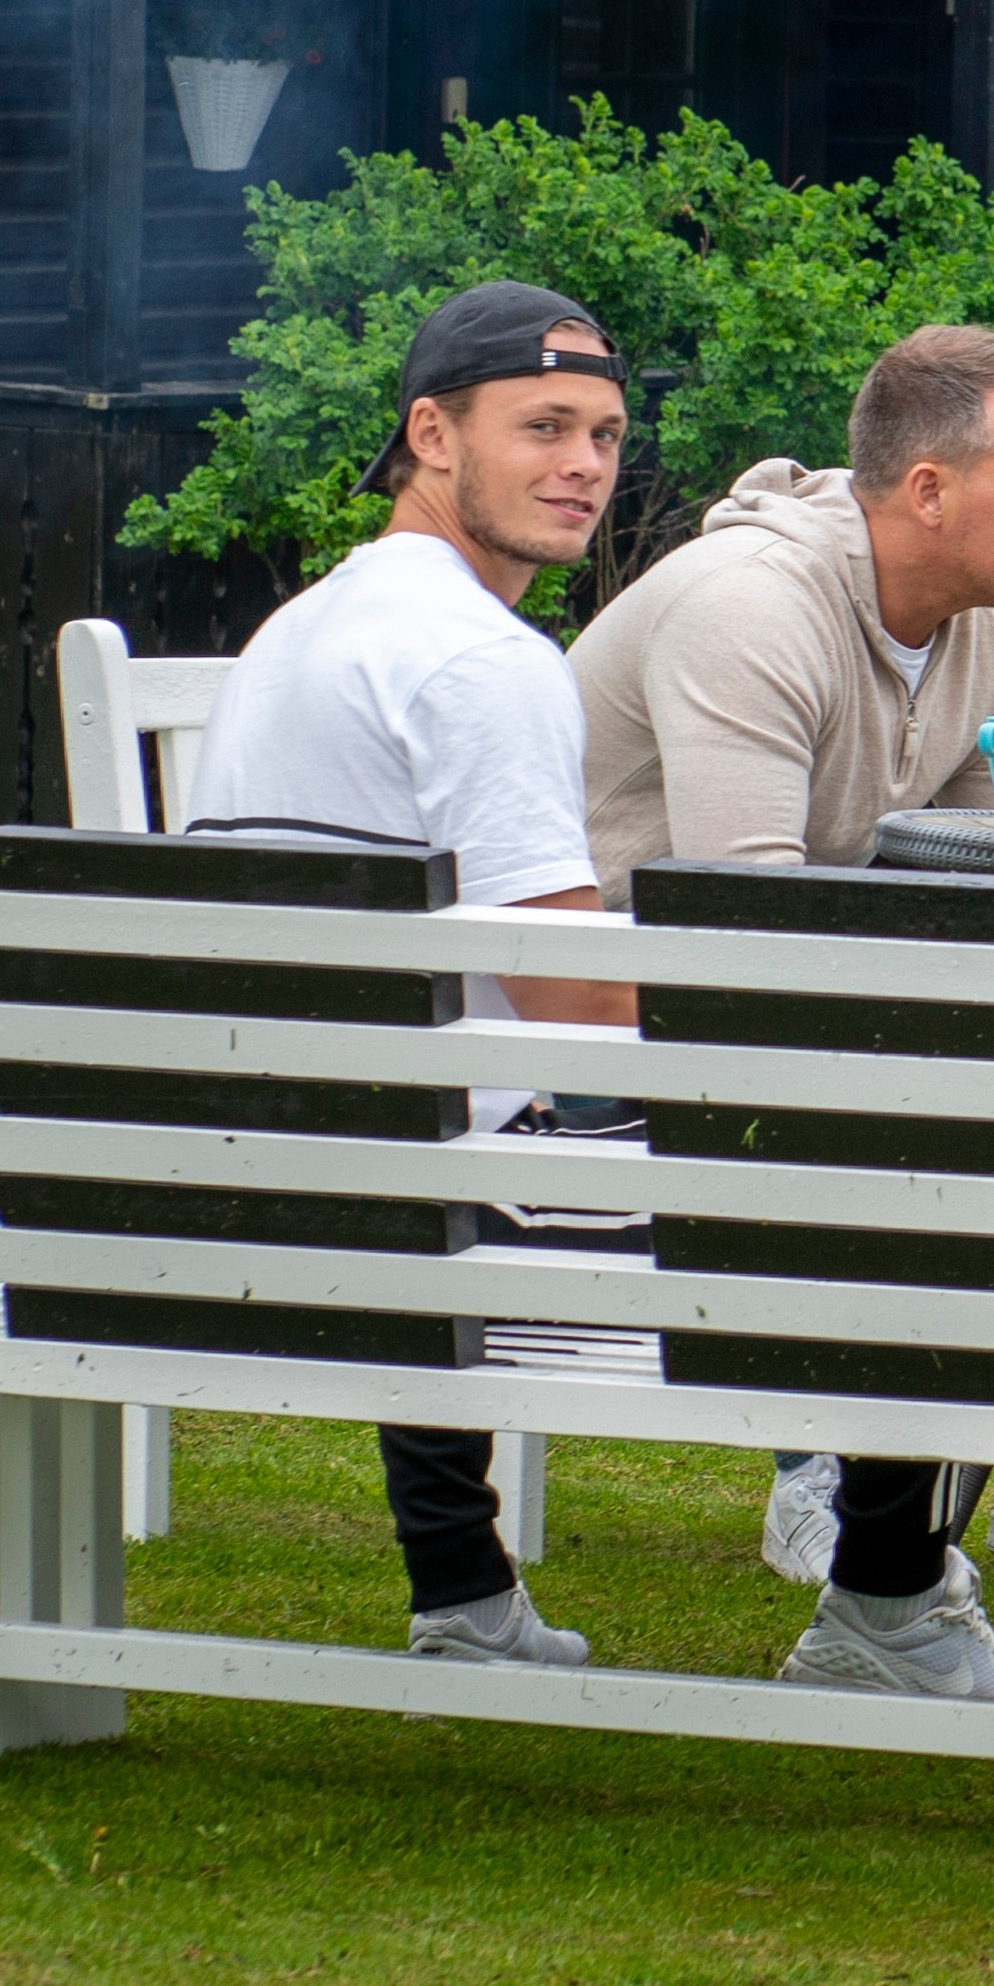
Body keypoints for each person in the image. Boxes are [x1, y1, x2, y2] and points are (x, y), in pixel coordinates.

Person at [573, 321, 994, 1707]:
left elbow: (954, 889)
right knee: (980, 1112)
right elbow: (737, 938)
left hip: (776, 1047)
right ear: (929, 492)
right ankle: (839, 1498)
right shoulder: (748, 609)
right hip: (603, 1059)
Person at [182, 279, 642, 1671]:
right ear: (430, 435)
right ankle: (885, 1594)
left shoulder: (303, 627)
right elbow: (580, 1021)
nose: (582, 466)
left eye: (607, 437)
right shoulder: (479, 661)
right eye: (544, 425)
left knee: (454, 1109)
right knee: (892, 1177)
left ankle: (462, 1583)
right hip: (417, 1211)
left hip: (257, 1166)